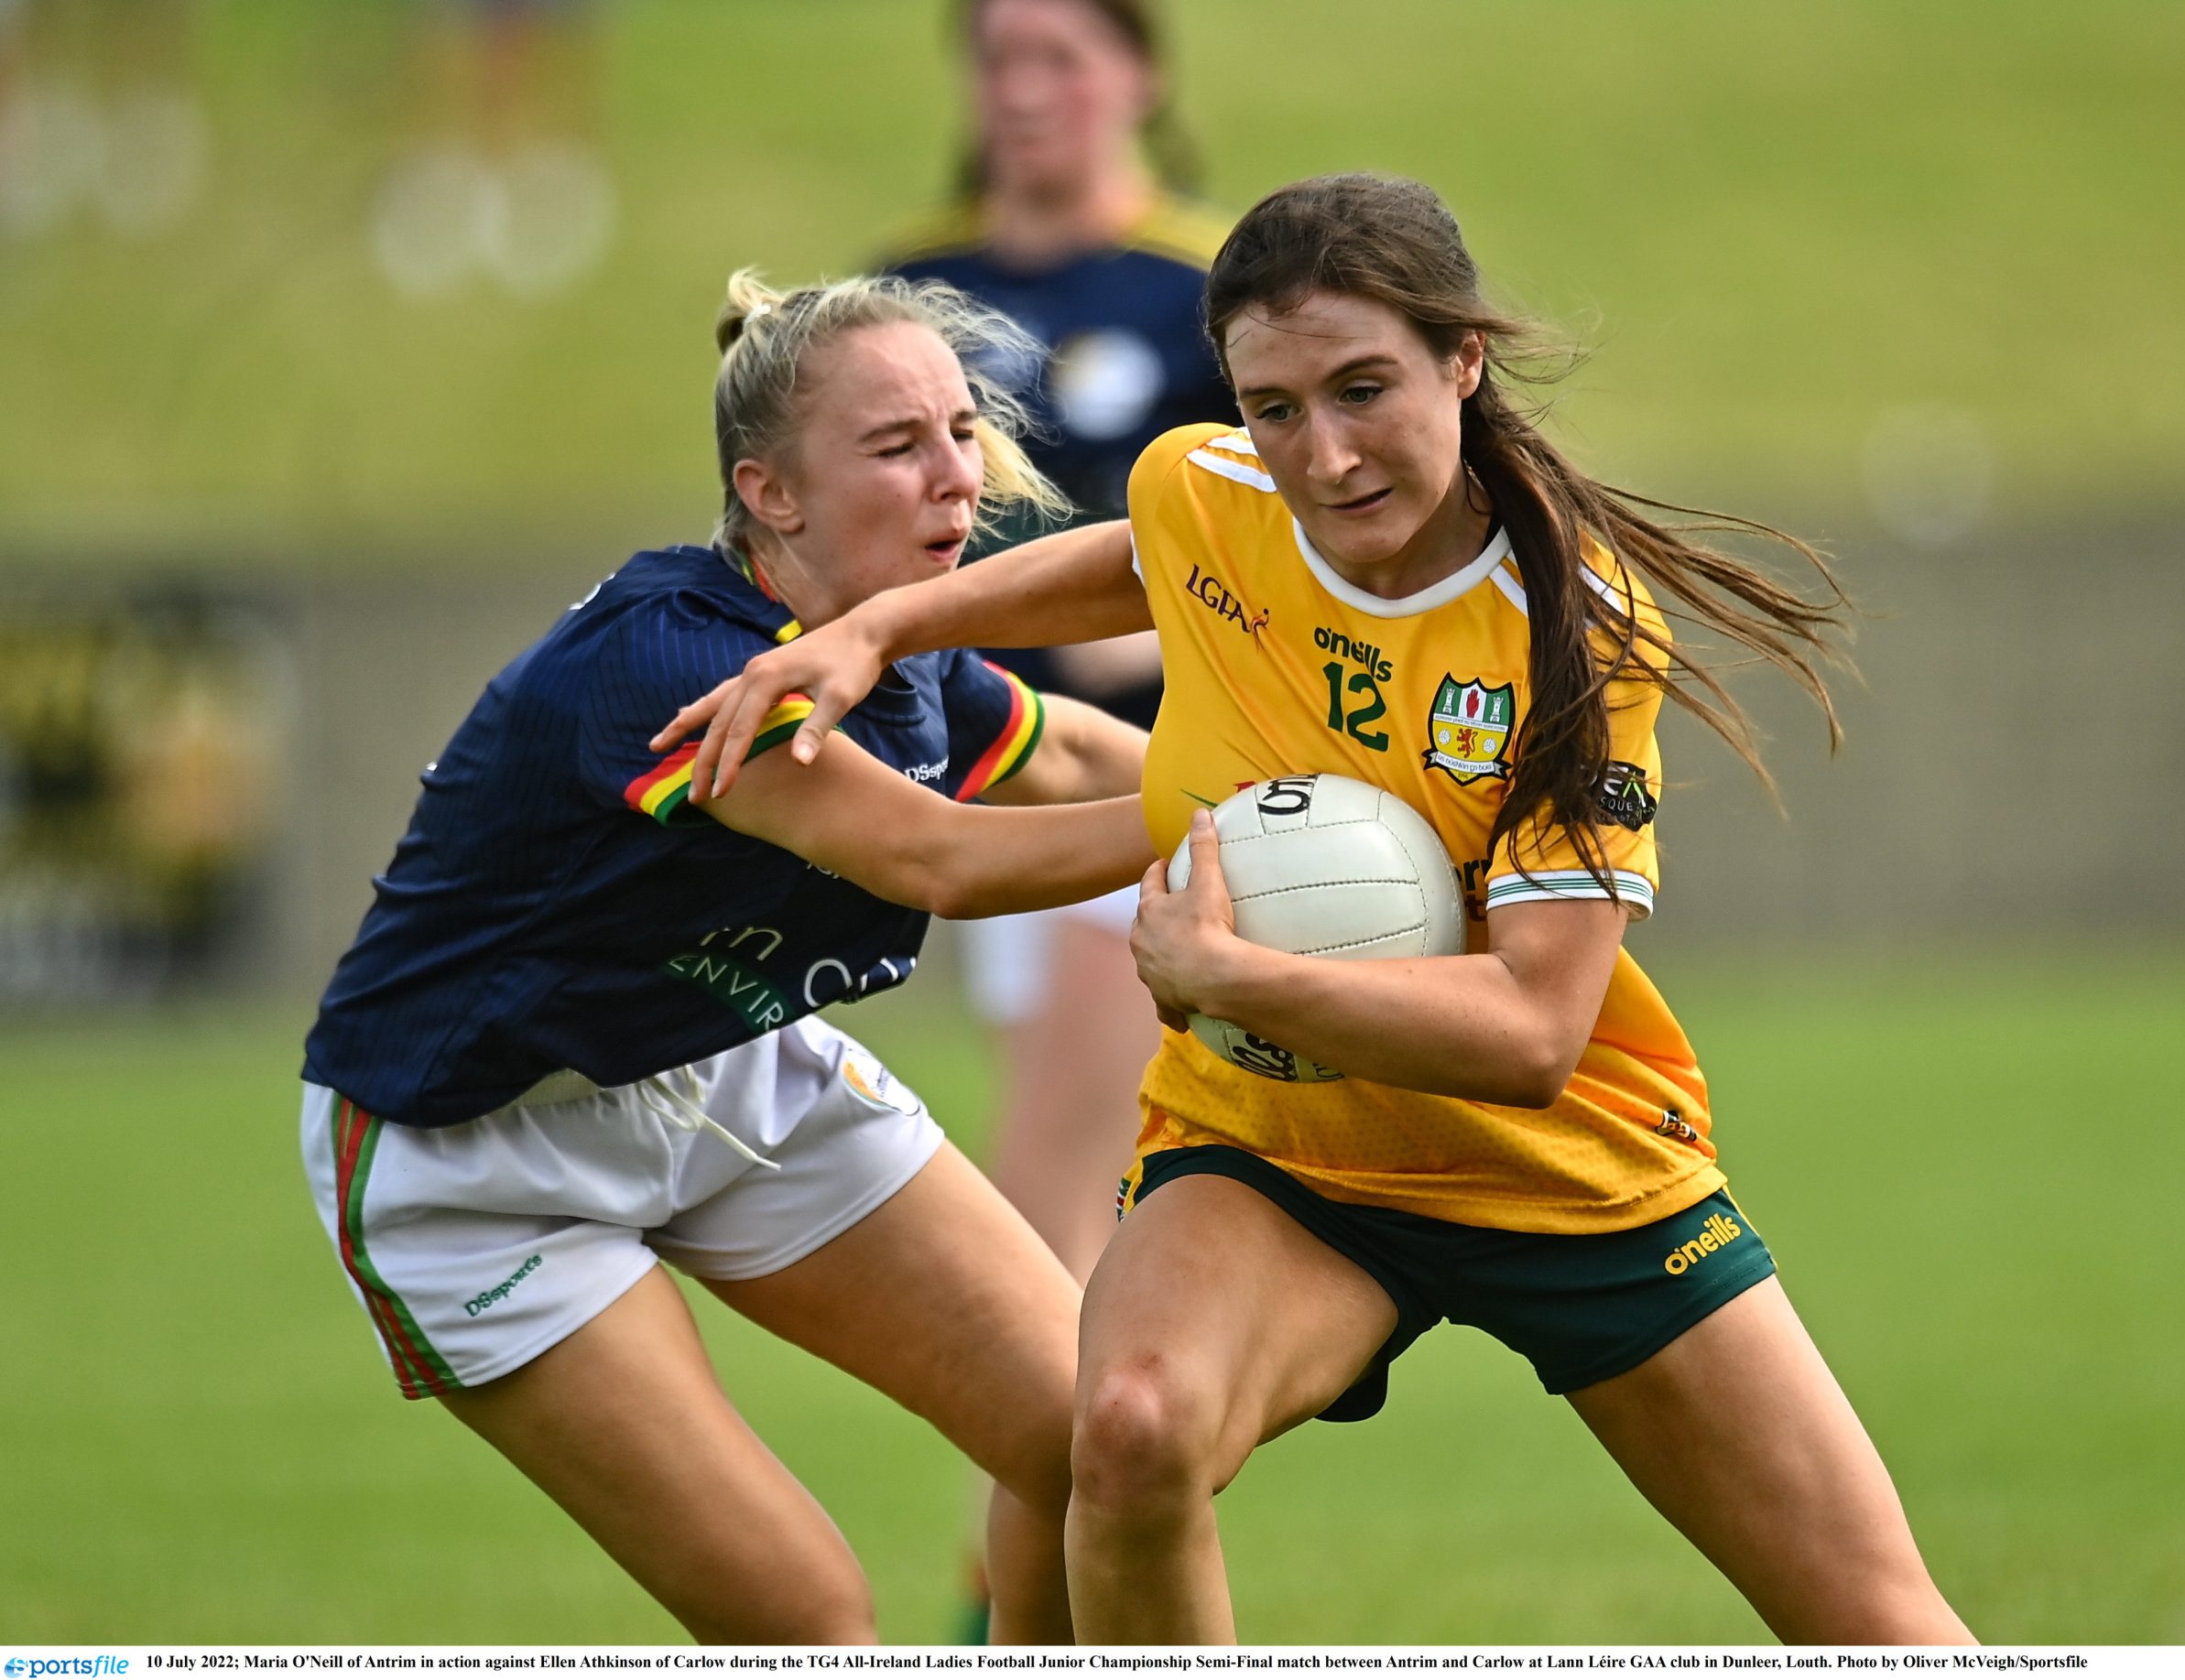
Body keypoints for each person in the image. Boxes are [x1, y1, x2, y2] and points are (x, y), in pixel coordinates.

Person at [658, 174, 1977, 1647]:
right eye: (1273, 407)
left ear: (1461, 361)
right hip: (1274, 1146)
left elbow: (1538, 1029)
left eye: (1364, 390)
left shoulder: (1572, 632)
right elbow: (1142, 556)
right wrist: (875, 626)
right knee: (1132, 1429)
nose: (1325, 455)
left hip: (1561, 1165)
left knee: (1874, 1619)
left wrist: (1231, 972)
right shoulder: (1212, 492)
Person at [299, 271, 1156, 1643]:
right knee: (810, 1623)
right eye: (898, 446)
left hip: (730, 1067)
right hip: (482, 1166)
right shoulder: (665, 666)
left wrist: (1291, 773)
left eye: (958, 430)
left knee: (1086, 1440)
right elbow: (942, 859)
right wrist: (1246, 818)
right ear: (771, 495)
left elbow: (1062, 752)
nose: (958, 478)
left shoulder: (897, 637)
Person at [879, 0, 1231, 1291]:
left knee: (1044, 1195)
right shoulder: (909, 293)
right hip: (971, 778)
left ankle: (1075, 1466)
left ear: (1139, 73)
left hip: (1143, 778)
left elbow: (1299, 525)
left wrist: (1152, 633)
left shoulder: (1208, 287)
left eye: (1061, 56)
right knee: (1081, 1206)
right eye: (997, 57)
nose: (1025, 88)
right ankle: (1124, 1470)